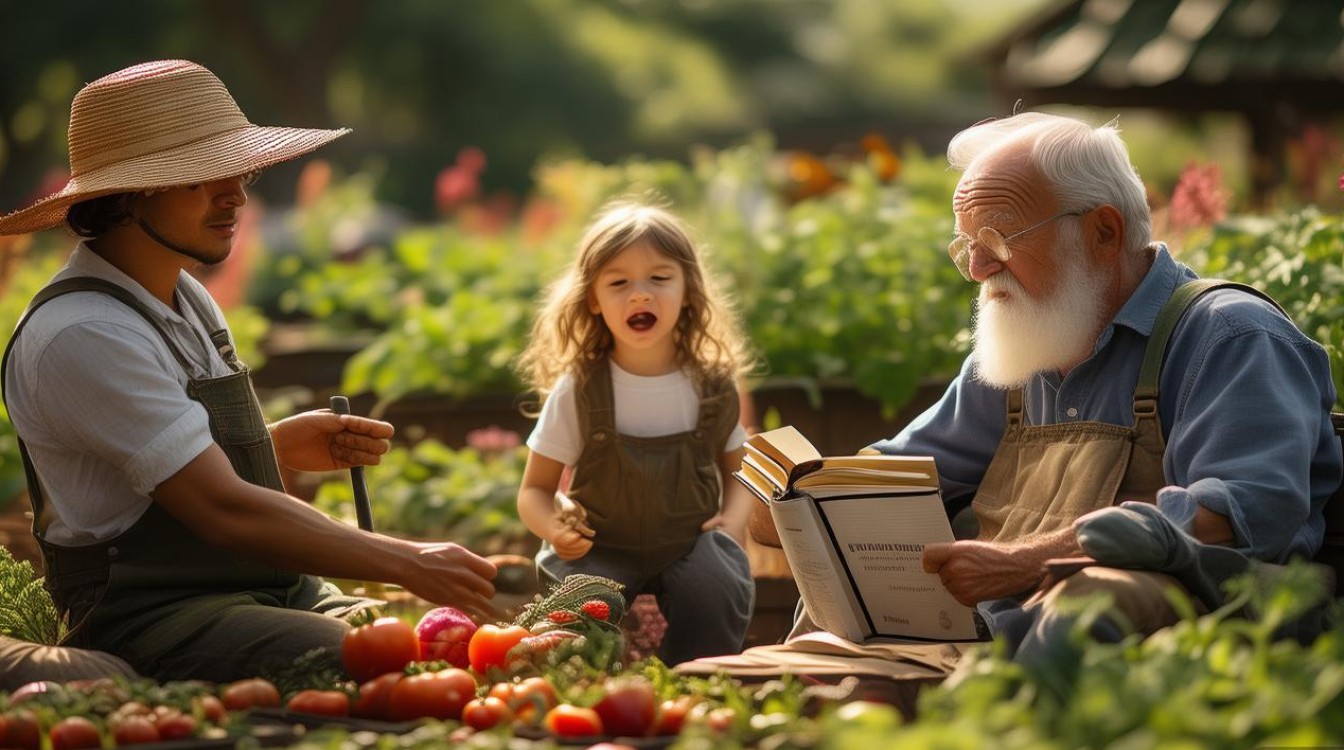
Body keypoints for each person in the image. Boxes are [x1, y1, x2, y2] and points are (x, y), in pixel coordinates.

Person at [752, 112, 1341, 672]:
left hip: (1202, 635)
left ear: (1103, 232)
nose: (979, 267)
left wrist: (1027, 561)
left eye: (999, 240)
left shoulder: (1229, 336)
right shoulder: (1029, 341)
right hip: (1005, 628)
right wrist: (806, 498)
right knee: (837, 619)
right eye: (966, 245)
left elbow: (1236, 512)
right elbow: (901, 469)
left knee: (1093, 596)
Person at [0, 59, 498, 684]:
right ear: (127, 195)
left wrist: (276, 449)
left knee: (464, 650)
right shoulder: (84, 332)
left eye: (241, 169)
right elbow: (221, 511)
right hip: (159, 617)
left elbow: (184, 477)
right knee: (391, 664)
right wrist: (408, 559)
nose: (236, 193)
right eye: (203, 176)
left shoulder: (185, 296)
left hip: (270, 591)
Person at [515, 201, 757, 665]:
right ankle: (588, 683)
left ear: (688, 290)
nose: (640, 295)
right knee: (574, 608)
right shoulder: (579, 390)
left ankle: (698, 677)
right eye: (619, 282)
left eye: (659, 279)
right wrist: (554, 529)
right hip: (599, 546)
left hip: (689, 543)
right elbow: (534, 491)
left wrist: (731, 521)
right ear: (593, 299)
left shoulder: (711, 386)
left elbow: (740, 473)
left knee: (717, 581)